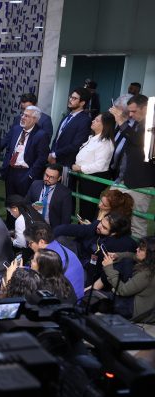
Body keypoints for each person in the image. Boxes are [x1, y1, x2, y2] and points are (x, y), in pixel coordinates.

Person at [108, 94, 155, 239]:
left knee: (137, 222)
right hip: (126, 180)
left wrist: (121, 121)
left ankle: (138, 256)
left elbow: (137, 140)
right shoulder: (137, 123)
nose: (131, 115)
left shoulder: (151, 123)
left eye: (134, 111)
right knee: (111, 211)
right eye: (129, 112)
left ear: (145, 108)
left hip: (142, 183)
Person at [54, 211, 138, 284]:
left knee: (73, 276)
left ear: (114, 233)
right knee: (60, 240)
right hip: (79, 253)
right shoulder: (97, 226)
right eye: (101, 222)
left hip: (89, 270)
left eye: (104, 227)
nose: (99, 226)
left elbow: (98, 269)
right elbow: (70, 229)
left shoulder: (118, 244)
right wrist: (49, 236)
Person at [99, 237, 155, 322]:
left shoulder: (147, 274)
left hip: (134, 311)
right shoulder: (150, 265)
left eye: (140, 249)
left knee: (95, 300)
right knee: (127, 261)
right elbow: (132, 255)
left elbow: (123, 291)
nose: (137, 249)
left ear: (150, 255)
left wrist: (109, 268)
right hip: (139, 305)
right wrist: (117, 255)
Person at [72, 112, 115, 221]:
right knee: (83, 207)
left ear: (105, 125)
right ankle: (81, 231)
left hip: (93, 179)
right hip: (86, 178)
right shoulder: (94, 137)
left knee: (88, 209)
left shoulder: (105, 143)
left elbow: (100, 165)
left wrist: (80, 168)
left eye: (96, 120)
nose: (93, 121)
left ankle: (86, 233)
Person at [0, 105, 50, 198]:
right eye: (23, 114)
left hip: (26, 174)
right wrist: (5, 165)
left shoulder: (41, 135)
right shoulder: (16, 129)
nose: (22, 117)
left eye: (26, 116)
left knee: (23, 205)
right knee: (9, 204)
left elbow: (42, 158)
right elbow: (9, 149)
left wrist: (30, 175)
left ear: (35, 119)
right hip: (10, 172)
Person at [48, 88, 92, 183]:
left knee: (63, 192)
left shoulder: (84, 120)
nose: (70, 100)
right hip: (55, 160)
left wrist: (55, 154)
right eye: (71, 97)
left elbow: (76, 144)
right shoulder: (67, 116)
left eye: (74, 98)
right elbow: (57, 138)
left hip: (67, 163)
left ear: (82, 103)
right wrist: (52, 154)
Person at [26, 164, 72, 228]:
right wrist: (32, 206)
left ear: (59, 178)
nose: (47, 179)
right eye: (46, 175)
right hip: (34, 225)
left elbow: (66, 218)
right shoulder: (35, 184)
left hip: (52, 228)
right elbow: (25, 203)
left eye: (51, 177)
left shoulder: (65, 193)